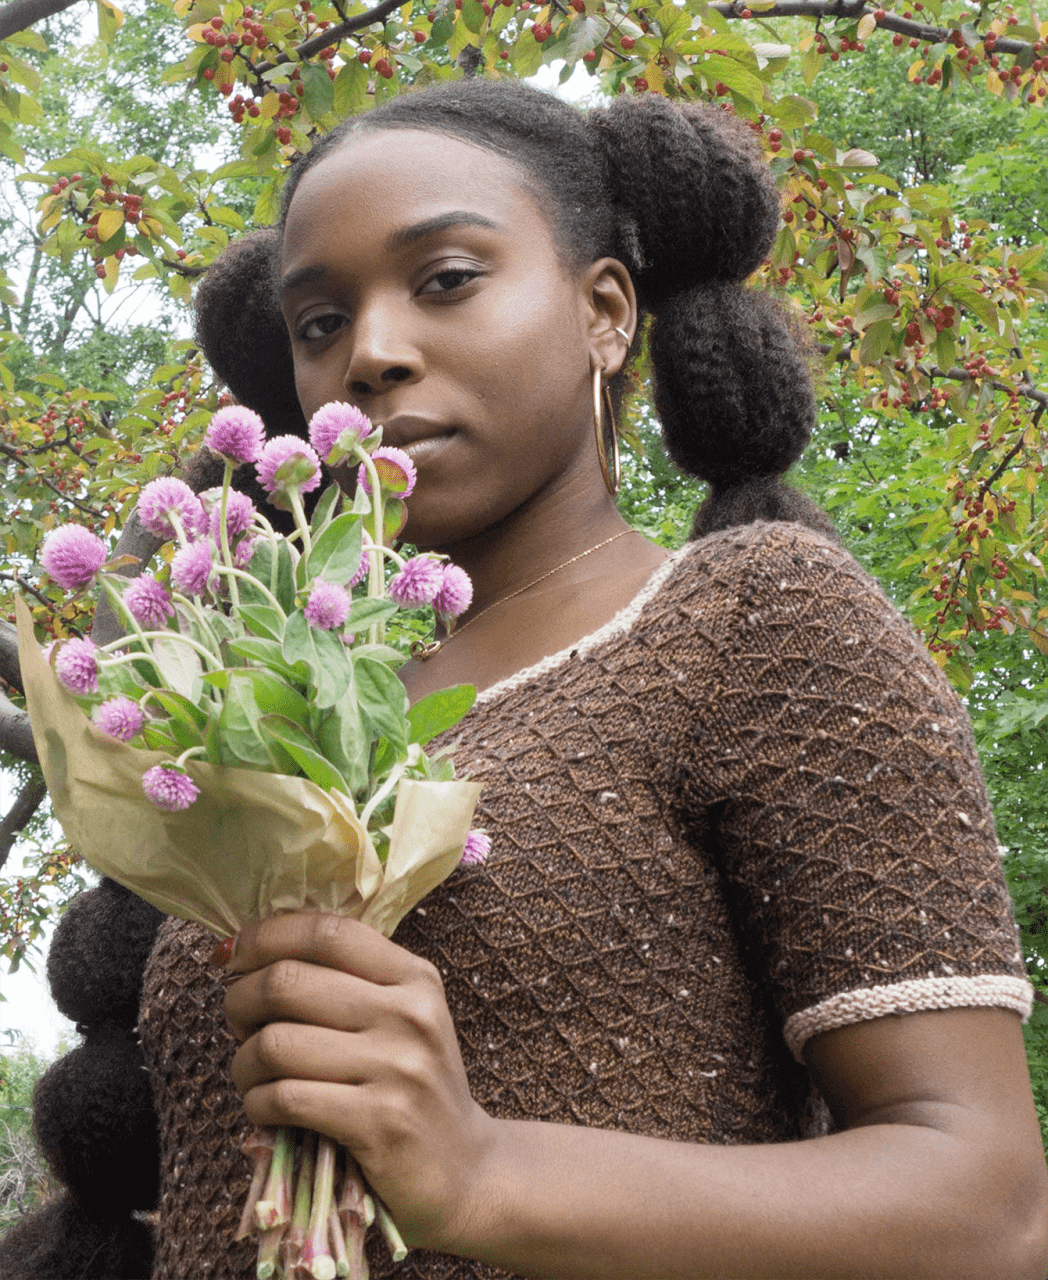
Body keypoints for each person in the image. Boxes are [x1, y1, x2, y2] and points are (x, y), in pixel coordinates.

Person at [20, 78, 1048, 1280]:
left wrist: (482, 1171)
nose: (373, 353)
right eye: (318, 323)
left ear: (604, 310)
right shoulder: (262, 703)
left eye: (446, 279)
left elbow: (988, 1213)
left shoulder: (753, 620)